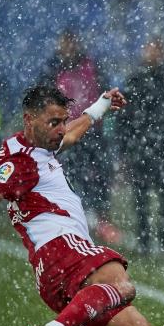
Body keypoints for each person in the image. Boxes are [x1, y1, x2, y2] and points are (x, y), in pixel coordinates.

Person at [0, 85, 158, 326]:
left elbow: (70, 135)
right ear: (29, 120)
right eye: (53, 122)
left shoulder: (40, 146)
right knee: (123, 285)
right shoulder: (20, 161)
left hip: (55, 274)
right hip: (62, 250)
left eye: (62, 120)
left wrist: (100, 106)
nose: (60, 129)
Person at [38, 30, 121, 244]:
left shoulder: (91, 66)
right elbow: (41, 100)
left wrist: (104, 118)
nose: (68, 47)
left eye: (71, 42)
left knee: (100, 174)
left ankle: (101, 217)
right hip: (64, 132)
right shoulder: (52, 68)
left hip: (92, 130)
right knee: (69, 174)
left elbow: (105, 95)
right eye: (64, 43)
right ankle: (72, 216)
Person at [117, 37, 164, 253]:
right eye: (149, 49)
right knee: (141, 196)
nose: (152, 54)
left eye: (156, 50)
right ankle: (144, 238)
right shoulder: (135, 80)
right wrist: (125, 145)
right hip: (140, 146)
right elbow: (123, 115)